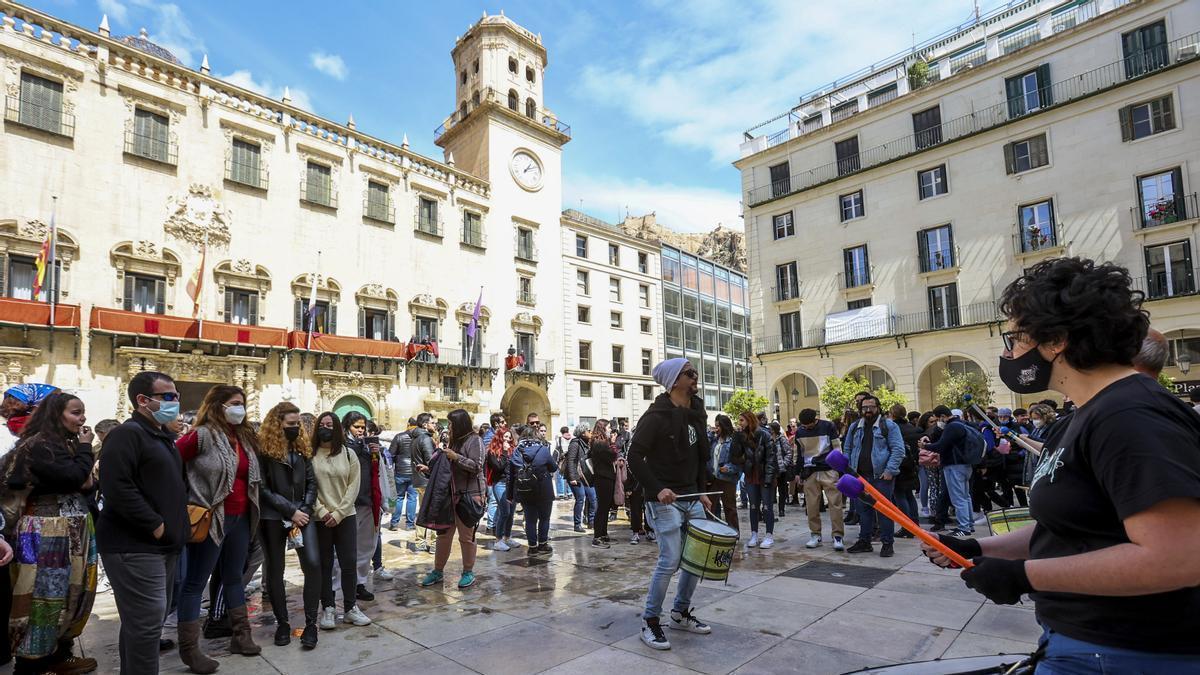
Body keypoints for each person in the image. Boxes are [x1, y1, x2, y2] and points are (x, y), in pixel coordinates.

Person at [922, 257, 1200, 671]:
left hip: (1128, 653)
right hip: (1081, 643)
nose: (1008, 351)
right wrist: (981, 547)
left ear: (1055, 340)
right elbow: (1074, 525)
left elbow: (1177, 558)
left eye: (1015, 337)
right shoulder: (1089, 414)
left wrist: (1025, 576)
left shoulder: (1130, 416)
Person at [97, 371, 189, 675]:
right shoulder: (128, 434)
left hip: (162, 546)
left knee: (141, 623)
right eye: (168, 396)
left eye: (176, 396)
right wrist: (155, 524)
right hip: (135, 545)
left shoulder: (161, 436)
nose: (175, 402)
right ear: (143, 400)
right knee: (147, 626)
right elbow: (116, 486)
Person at [3, 392, 98, 675]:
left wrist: (81, 459)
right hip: (47, 532)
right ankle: (32, 664)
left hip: (72, 530)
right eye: (75, 412)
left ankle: (59, 655)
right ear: (56, 414)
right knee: (43, 597)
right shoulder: (40, 445)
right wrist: (85, 449)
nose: (82, 418)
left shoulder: (61, 444)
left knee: (72, 594)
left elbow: (86, 484)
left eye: (82, 412)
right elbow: (72, 478)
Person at [627, 357, 713, 651]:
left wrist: (702, 490)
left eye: (695, 372)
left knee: (696, 557)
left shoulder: (696, 412)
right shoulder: (656, 416)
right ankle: (650, 621)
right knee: (671, 559)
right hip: (665, 498)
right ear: (675, 380)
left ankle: (680, 612)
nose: (695, 377)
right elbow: (634, 457)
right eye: (690, 373)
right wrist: (657, 488)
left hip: (691, 495)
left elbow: (702, 456)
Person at [174, 385, 261, 671]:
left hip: (241, 518)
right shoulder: (200, 435)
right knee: (195, 583)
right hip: (211, 517)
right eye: (235, 403)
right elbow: (171, 464)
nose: (240, 408)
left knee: (234, 577)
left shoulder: (244, 437)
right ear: (218, 405)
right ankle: (190, 650)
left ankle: (241, 636)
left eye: (242, 403)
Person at [255, 402, 321, 649]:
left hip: (303, 514)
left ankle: (311, 624)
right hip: (273, 516)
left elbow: (312, 482)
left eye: (297, 424)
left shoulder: (302, 448)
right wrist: (290, 510)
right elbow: (262, 488)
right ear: (277, 424)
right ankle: (282, 623)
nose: (295, 428)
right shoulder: (263, 450)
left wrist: (303, 510)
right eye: (290, 424)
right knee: (275, 569)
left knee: (313, 564)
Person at [311, 412, 371, 629]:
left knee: (348, 563)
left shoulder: (348, 454)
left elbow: (353, 486)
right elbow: (309, 487)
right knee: (325, 565)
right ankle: (328, 607)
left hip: (345, 517)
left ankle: (350, 608)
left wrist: (338, 513)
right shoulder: (310, 455)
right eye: (322, 424)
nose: (325, 427)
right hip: (320, 519)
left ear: (337, 428)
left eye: (330, 424)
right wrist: (321, 511)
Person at [418, 409, 485, 589]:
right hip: (449, 497)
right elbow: (448, 469)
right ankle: (438, 571)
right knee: (443, 536)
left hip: (468, 497)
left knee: (466, 536)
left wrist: (456, 457)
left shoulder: (475, 441)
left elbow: (477, 466)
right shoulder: (453, 442)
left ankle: (468, 572)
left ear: (460, 424)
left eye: (451, 424)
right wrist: (429, 469)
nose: (448, 427)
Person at [843, 395, 906, 557]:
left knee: (884, 512)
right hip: (860, 477)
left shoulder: (889, 426)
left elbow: (898, 450)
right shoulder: (855, 426)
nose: (868, 410)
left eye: (871, 407)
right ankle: (864, 541)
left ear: (878, 408)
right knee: (863, 511)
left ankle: (887, 543)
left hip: (881, 477)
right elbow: (848, 448)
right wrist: (849, 470)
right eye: (864, 407)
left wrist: (889, 471)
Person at [339, 412, 383, 603]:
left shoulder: (368, 447)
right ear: (347, 426)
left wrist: (376, 454)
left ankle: (359, 583)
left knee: (366, 546)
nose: (360, 431)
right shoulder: (340, 447)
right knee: (345, 548)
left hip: (368, 501)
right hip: (348, 505)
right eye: (357, 427)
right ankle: (337, 587)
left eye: (363, 427)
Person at [920, 405, 978, 537]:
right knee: (965, 496)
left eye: (937, 419)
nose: (937, 422)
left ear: (942, 416)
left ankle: (964, 527)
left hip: (954, 465)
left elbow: (941, 446)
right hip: (965, 464)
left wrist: (925, 446)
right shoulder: (961, 423)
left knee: (958, 498)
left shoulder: (952, 427)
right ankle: (969, 524)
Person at [793, 408, 844, 550]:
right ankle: (815, 534)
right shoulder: (800, 431)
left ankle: (838, 536)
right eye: (804, 425)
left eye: (808, 425)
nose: (806, 428)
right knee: (811, 505)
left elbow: (837, 448)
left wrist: (838, 469)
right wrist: (797, 473)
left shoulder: (828, 426)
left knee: (835, 503)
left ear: (815, 420)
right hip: (810, 472)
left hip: (829, 469)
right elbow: (798, 454)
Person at [506, 424, 557, 554]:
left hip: (525, 489)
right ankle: (543, 544)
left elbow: (511, 475)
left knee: (530, 519)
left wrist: (510, 495)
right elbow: (553, 468)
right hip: (543, 489)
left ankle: (532, 547)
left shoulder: (517, 451)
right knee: (544, 518)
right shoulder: (543, 449)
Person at [732, 412, 776, 549]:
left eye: (742, 420)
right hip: (751, 474)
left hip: (764, 475)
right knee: (753, 506)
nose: (740, 423)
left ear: (749, 420)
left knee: (767, 506)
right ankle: (754, 534)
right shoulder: (741, 436)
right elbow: (735, 456)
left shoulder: (764, 435)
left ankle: (769, 535)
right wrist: (736, 438)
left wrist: (768, 478)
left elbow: (771, 458)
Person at [891, 404, 923, 537]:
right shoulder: (913, 428)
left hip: (899, 465)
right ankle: (915, 525)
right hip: (912, 465)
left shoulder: (893, 428)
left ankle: (907, 527)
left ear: (892, 414)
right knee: (909, 495)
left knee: (900, 496)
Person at [705, 414, 740, 535]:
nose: (716, 428)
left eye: (718, 426)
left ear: (725, 426)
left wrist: (729, 468)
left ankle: (734, 533)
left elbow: (739, 462)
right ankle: (711, 532)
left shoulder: (733, 441)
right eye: (715, 426)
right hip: (713, 478)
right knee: (709, 508)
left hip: (727, 479)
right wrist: (711, 433)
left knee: (730, 508)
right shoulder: (714, 440)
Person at [485, 426, 518, 551]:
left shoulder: (512, 450)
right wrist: (504, 452)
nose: (508, 440)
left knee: (511, 513)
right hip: (500, 484)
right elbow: (499, 467)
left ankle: (507, 537)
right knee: (505, 512)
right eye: (505, 437)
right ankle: (498, 540)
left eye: (510, 437)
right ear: (499, 437)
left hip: (511, 484)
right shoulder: (492, 452)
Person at [589, 419, 618, 548]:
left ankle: (604, 533)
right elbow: (612, 456)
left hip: (606, 477)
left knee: (605, 507)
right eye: (607, 428)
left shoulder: (600, 442)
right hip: (603, 477)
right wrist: (612, 443)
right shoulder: (599, 443)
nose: (610, 430)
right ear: (602, 428)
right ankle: (597, 536)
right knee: (602, 508)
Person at [388, 417, 420, 531]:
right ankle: (410, 524)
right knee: (412, 498)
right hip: (415, 472)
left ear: (408, 424)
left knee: (399, 498)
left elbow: (390, 454)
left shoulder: (399, 436)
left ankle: (394, 523)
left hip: (400, 471)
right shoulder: (420, 437)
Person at [565, 423, 596, 532]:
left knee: (593, 498)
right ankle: (577, 524)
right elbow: (571, 460)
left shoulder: (588, 443)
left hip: (586, 476)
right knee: (580, 498)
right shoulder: (575, 443)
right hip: (576, 476)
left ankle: (591, 521)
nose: (591, 432)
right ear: (583, 433)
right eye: (589, 430)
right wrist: (573, 477)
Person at [769, 421, 793, 519]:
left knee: (782, 490)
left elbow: (788, 452)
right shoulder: (769, 439)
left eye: (770, 429)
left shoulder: (782, 439)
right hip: (771, 469)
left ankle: (781, 509)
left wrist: (783, 464)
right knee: (771, 490)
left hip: (781, 469)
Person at [552, 426, 571, 499]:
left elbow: (557, 449)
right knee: (569, 476)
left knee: (560, 476)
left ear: (561, 432)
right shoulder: (572, 438)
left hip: (561, 461)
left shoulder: (559, 439)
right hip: (569, 460)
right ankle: (569, 493)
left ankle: (561, 493)